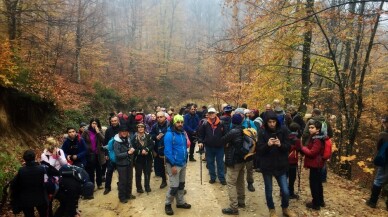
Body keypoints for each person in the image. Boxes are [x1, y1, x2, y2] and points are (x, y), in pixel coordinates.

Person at [257, 111, 296, 217]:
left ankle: (285, 208)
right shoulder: (262, 132)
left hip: (281, 165)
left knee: (285, 191)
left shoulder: (283, 130)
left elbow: (288, 146)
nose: (272, 124)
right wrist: (268, 145)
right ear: (266, 122)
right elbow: (259, 150)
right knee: (269, 190)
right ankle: (272, 209)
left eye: (274, 121)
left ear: (276, 121)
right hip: (267, 165)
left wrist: (280, 144)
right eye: (269, 122)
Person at [12, 150, 58, 217]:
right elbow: (47, 182)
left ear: (24, 159)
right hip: (41, 197)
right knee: (44, 214)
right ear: (35, 157)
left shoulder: (21, 170)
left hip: (26, 199)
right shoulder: (41, 169)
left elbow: (15, 184)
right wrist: (51, 192)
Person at [219, 114, 247, 215]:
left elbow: (222, 140)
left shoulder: (233, 131)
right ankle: (241, 201)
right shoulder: (244, 129)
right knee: (240, 181)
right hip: (242, 160)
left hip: (233, 161)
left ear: (233, 121)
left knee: (231, 183)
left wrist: (228, 143)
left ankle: (233, 207)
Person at [164, 115, 191, 215]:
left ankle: (180, 202)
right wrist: (173, 165)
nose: (180, 124)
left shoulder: (182, 133)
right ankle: (167, 204)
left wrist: (185, 160)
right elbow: (167, 151)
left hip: (183, 163)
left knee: (181, 185)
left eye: (181, 122)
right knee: (174, 187)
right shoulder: (169, 134)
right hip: (174, 164)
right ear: (174, 123)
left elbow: (184, 147)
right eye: (178, 122)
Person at [299, 120, 326, 210]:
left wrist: (303, 148)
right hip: (317, 164)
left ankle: (316, 204)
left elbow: (312, 153)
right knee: (318, 183)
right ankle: (320, 201)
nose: (310, 129)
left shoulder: (317, 139)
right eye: (309, 127)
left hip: (316, 164)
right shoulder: (317, 136)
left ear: (317, 129)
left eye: (312, 128)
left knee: (314, 184)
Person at [198, 108, 226, 185]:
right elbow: (201, 134)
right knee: (210, 163)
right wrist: (200, 141)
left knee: (220, 163)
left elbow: (226, 134)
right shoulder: (204, 124)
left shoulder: (221, 123)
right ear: (208, 114)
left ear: (215, 113)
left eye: (212, 113)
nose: (211, 114)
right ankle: (212, 178)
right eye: (210, 113)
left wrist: (225, 142)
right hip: (209, 147)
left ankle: (222, 178)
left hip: (219, 147)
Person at [366, 116, 388, 209]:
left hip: (385, 161)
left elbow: (379, 148)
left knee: (378, 180)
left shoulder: (384, 134)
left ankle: (372, 201)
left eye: (384, 122)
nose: (383, 124)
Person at [114, 125, 136, 203]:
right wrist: (128, 152)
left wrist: (131, 149)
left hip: (129, 163)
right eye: (122, 131)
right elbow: (117, 155)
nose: (124, 133)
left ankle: (128, 194)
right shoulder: (116, 142)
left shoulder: (128, 139)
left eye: (125, 131)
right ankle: (122, 197)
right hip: (121, 165)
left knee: (129, 179)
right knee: (123, 181)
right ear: (119, 132)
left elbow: (130, 148)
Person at [82, 118, 106, 190]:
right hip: (89, 154)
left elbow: (104, 141)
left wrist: (98, 132)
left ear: (98, 124)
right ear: (90, 124)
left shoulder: (100, 131)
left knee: (98, 169)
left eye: (96, 123)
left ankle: (99, 184)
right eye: (93, 123)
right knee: (90, 170)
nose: (94, 125)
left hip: (98, 153)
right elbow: (82, 141)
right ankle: (92, 185)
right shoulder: (86, 132)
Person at [132, 123, 155, 193]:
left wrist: (147, 149)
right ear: (137, 128)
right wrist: (140, 151)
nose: (140, 128)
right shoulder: (134, 137)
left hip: (148, 158)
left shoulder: (148, 136)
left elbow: (152, 144)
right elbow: (132, 148)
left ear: (144, 128)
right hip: (138, 158)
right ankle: (139, 188)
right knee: (138, 173)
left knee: (147, 173)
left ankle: (147, 186)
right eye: (139, 127)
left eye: (142, 127)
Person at [150, 111, 170, 189]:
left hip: (169, 148)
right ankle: (164, 180)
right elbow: (151, 135)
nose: (159, 118)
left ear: (165, 117)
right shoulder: (155, 126)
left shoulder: (170, 125)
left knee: (171, 165)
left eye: (161, 117)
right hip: (159, 148)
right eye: (158, 117)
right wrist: (156, 137)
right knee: (161, 166)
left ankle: (174, 182)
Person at [103, 116, 120, 195]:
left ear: (118, 121)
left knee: (120, 171)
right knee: (109, 171)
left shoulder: (121, 129)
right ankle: (107, 187)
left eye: (115, 121)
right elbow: (105, 142)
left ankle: (120, 184)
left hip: (120, 153)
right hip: (110, 153)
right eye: (112, 121)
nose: (114, 122)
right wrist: (106, 154)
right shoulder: (108, 130)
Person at [287, 123, 302, 199]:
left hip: (285, 160)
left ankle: (283, 191)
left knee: (285, 176)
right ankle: (290, 193)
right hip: (293, 161)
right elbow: (300, 149)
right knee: (292, 178)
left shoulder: (286, 137)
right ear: (297, 130)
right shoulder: (297, 140)